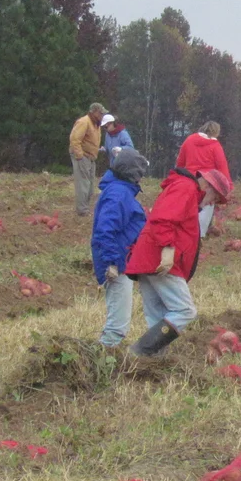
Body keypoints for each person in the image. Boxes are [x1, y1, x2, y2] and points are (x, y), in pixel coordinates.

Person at [125, 167, 230, 355]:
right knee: (185, 311)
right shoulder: (186, 188)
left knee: (157, 316)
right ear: (207, 185)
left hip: (149, 258)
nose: (211, 204)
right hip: (160, 261)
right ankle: (138, 352)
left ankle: (150, 361)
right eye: (214, 198)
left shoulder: (185, 189)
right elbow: (163, 220)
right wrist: (167, 250)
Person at [91, 147, 150, 348]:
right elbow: (104, 231)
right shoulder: (118, 194)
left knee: (120, 316)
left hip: (122, 260)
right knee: (118, 322)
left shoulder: (120, 191)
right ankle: (104, 357)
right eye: (140, 173)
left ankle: (107, 354)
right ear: (132, 174)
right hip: (117, 263)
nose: (141, 178)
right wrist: (111, 263)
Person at [177, 121, 233, 237]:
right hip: (208, 183)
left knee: (187, 209)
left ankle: (184, 232)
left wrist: (178, 177)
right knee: (205, 209)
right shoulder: (215, 146)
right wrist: (228, 186)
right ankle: (200, 235)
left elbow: (181, 161)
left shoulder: (189, 140)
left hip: (189, 180)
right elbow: (222, 167)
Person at [70, 103, 109, 217]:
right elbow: (74, 139)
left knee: (90, 185)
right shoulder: (84, 122)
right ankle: (82, 210)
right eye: (101, 113)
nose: (102, 116)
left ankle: (85, 208)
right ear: (95, 112)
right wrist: (80, 156)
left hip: (91, 158)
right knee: (83, 183)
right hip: (83, 157)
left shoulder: (95, 125)